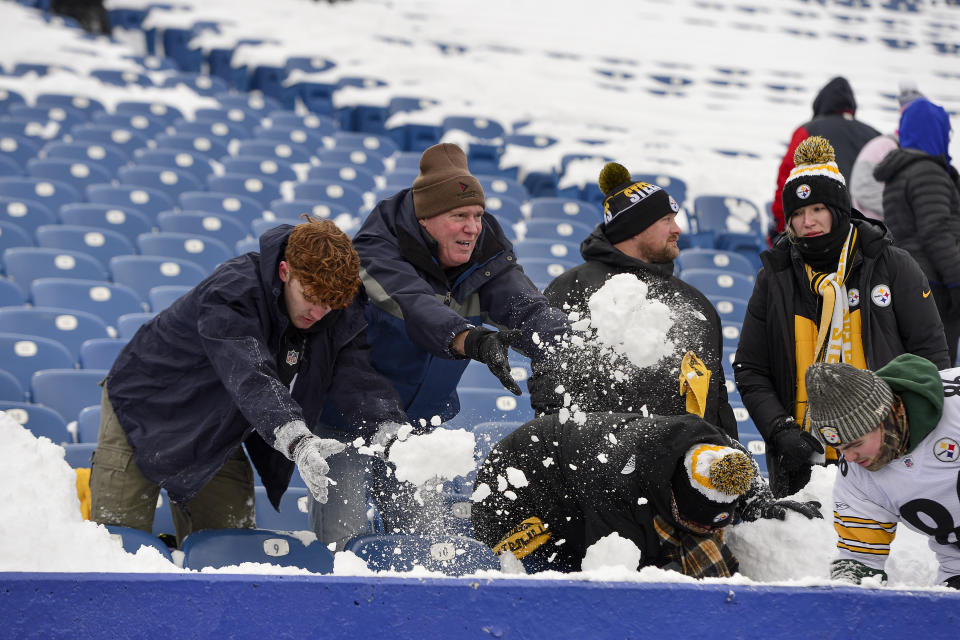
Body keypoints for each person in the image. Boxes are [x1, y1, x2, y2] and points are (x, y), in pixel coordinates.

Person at [89, 218, 411, 548]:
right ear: (285, 272)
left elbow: (357, 378)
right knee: (118, 544)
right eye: (310, 296)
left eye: (328, 304)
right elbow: (249, 372)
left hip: (219, 420)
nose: (318, 312)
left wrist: (392, 432)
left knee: (230, 544)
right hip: (145, 406)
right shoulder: (233, 289)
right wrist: (297, 440)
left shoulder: (336, 308)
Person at [734, 135, 950, 499]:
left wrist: (900, 427)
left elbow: (931, 360)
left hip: (891, 452)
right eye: (798, 214)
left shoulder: (893, 266)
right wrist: (780, 429)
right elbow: (751, 368)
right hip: (805, 461)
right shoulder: (774, 277)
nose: (808, 221)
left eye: (817, 208)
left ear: (839, 208)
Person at [348, 142, 570, 424]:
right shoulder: (376, 251)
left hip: (424, 426)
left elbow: (528, 311)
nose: (474, 228)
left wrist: (577, 346)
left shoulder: (485, 256)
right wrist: (471, 340)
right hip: (351, 423)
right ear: (425, 218)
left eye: (478, 215)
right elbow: (415, 303)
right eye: (459, 216)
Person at [527, 161, 737, 439]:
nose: (678, 229)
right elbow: (550, 385)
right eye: (666, 220)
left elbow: (716, 398)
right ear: (635, 228)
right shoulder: (572, 288)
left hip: (681, 463)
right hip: (599, 461)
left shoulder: (696, 302)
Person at [471, 411, 822, 577]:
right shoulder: (615, 484)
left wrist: (760, 502)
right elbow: (621, 572)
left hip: (579, 480)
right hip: (513, 497)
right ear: (671, 496)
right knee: (578, 575)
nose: (706, 532)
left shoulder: (708, 444)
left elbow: (737, 461)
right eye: (691, 522)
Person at [805, 354, 960, 589]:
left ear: (883, 418)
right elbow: (860, 559)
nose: (849, 458)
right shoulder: (855, 475)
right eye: (839, 449)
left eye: (855, 444)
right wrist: (846, 594)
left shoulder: (955, 411)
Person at [873, 97, 960, 366]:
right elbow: (936, 233)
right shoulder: (928, 172)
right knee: (938, 371)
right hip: (936, 285)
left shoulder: (898, 174)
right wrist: (958, 281)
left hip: (910, 281)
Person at [770, 76, 880, 240]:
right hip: (869, 232)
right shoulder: (875, 136)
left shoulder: (807, 130)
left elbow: (787, 181)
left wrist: (780, 226)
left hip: (817, 232)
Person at [849, 81, 926, 221]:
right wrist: (907, 213)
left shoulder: (927, 154)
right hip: (878, 230)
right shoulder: (882, 146)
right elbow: (864, 189)